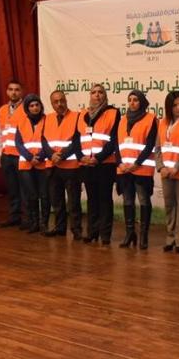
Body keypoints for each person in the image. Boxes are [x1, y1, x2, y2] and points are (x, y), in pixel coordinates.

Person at [78, 84, 120, 246]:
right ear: (90, 95)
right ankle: (92, 232)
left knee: (105, 200)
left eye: (100, 92)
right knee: (92, 200)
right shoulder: (82, 114)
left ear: (105, 95)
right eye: (94, 92)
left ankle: (105, 234)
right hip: (86, 165)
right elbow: (76, 139)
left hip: (105, 164)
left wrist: (99, 158)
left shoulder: (113, 113)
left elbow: (114, 140)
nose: (97, 95)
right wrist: (81, 157)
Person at [117, 90, 158, 249]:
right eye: (130, 100)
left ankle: (143, 236)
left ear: (142, 102)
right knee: (127, 201)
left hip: (141, 169)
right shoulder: (122, 120)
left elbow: (150, 145)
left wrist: (137, 163)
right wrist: (120, 163)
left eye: (136, 100)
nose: (132, 103)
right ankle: (130, 233)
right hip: (124, 169)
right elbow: (116, 144)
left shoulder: (151, 119)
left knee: (143, 201)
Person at [156, 90, 179, 253]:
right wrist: (161, 167)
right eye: (175, 105)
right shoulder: (163, 123)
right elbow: (158, 148)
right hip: (166, 173)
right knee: (169, 205)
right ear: (168, 107)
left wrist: (177, 167)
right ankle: (170, 238)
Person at [45, 90, 83, 239]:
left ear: (66, 101)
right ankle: (60, 228)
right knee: (57, 200)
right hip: (53, 166)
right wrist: (51, 155)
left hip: (71, 166)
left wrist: (61, 156)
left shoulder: (76, 117)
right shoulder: (47, 118)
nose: (59, 104)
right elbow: (43, 140)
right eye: (56, 101)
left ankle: (76, 229)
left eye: (62, 100)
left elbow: (77, 141)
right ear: (51, 104)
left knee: (73, 201)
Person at [15, 94, 50, 233]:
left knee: (44, 195)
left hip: (43, 163)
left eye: (37, 105)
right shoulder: (21, 122)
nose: (35, 108)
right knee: (31, 195)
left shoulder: (48, 120)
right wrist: (30, 157)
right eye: (31, 106)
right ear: (27, 108)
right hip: (26, 164)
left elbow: (49, 141)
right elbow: (18, 143)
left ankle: (44, 223)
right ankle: (34, 223)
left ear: (41, 106)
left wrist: (40, 157)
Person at [0, 80, 27, 227]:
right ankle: (14, 216)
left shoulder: (27, 108)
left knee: (24, 188)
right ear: (7, 91)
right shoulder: (2, 109)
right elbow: (0, 132)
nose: (13, 92)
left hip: (21, 155)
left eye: (17, 89)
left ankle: (27, 218)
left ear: (21, 92)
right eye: (11, 89)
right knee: (12, 188)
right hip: (6, 155)